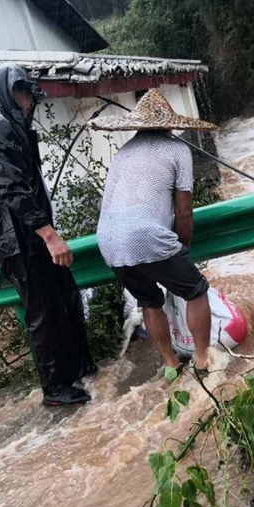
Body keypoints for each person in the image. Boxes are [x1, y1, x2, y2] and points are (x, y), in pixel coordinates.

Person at [0, 63, 94, 406]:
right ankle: (55, 389)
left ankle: (78, 368)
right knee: (43, 313)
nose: (27, 101)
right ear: (8, 94)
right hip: (17, 240)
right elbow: (12, 189)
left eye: (28, 94)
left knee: (66, 297)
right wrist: (50, 235)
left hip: (30, 235)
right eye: (21, 94)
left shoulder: (10, 124)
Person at [91, 89, 218, 375]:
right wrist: (183, 248)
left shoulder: (123, 153)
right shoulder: (177, 150)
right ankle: (202, 362)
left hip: (109, 242)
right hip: (144, 235)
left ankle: (171, 366)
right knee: (196, 291)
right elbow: (184, 212)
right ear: (170, 124)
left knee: (149, 300)